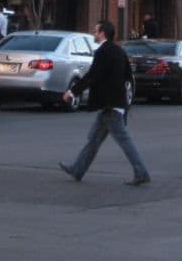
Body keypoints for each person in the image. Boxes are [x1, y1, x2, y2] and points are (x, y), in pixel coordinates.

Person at [59, 20, 150, 186]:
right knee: (93, 139)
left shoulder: (103, 52)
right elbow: (128, 77)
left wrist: (72, 92)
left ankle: (141, 172)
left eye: (95, 31)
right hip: (115, 104)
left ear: (102, 33)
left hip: (110, 105)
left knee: (123, 140)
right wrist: (126, 103)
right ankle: (78, 169)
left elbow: (92, 76)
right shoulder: (119, 51)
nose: (94, 34)